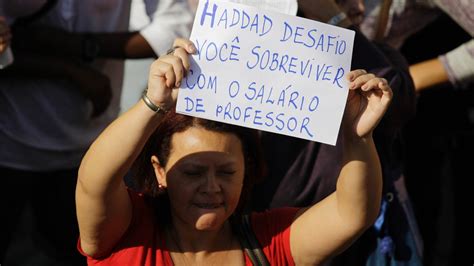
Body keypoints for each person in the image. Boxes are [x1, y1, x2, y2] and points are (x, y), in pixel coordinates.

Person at [75, 38, 393, 265]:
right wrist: (154, 103)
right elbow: (94, 181)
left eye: (226, 172)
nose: (212, 187)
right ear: (160, 171)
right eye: (193, 172)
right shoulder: (128, 234)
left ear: (247, 170)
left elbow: (352, 214)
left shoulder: (271, 242)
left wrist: (358, 138)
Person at [0, 0, 192, 264]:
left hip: (90, 148)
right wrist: (70, 70)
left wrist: (84, 46)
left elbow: (173, 25)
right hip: (9, 144)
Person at [252, 0, 420, 265]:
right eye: (339, 0)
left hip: (364, 240)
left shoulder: (377, 55)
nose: (358, 8)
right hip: (278, 238)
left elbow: (397, 103)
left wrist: (336, 22)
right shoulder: (257, 65)